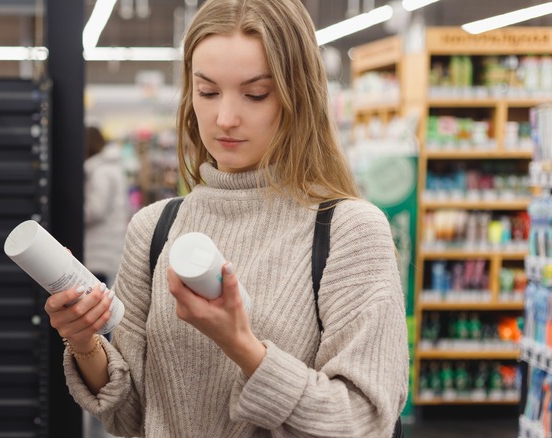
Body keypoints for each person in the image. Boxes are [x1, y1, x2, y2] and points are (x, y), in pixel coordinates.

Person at [45, 0, 408, 436]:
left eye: (256, 93)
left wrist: (242, 346)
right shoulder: (154, 229)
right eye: (208, 91)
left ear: (299, 97)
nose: (225, 118)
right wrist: (85, 343)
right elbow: (130, 416)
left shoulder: (350, 232)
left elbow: (365, 421)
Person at [84, 126, 129, 287]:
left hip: (98, 250)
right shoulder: (109, 168)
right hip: (106, 247)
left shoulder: (101, 172)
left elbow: (95, 209)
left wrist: (71, 213)